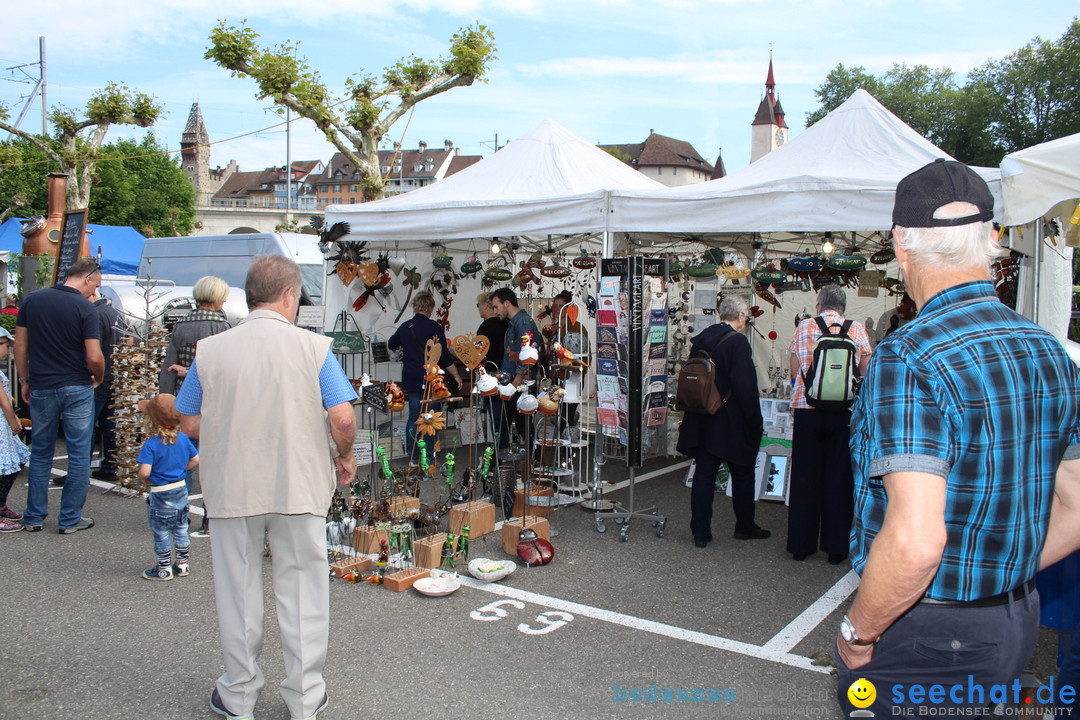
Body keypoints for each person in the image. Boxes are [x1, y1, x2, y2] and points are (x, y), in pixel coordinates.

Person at [836, 159, 1080, 718]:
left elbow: (917, 541)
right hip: (1012, 620)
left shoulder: (909, 356)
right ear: (991, 239)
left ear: (901, 244)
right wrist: (1001, 578)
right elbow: (1077, 501)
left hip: (926, 629)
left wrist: (860, 631)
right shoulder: (1049, 351)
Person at [175, 254, 357, 720]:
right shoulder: (314, 348)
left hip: (233, 485)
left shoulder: (211, 350)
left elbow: (189, 420)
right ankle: (304, 696)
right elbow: (342, 416)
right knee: (303, 592)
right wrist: (344, 454)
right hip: (298, 484)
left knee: (236, 591)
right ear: (291, 295)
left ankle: (238, 694)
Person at [15, 258, 104, 534]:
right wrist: (98, 376)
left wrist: (24, 379)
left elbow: (20, 344)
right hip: (77, 384)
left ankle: (34, 516)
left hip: (41, 384)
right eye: (96, 286)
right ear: (87, 278)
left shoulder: (33, 300)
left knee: (41, 451)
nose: (95, 293)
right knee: (78, 453)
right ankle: (69, 519)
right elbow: (93, 354)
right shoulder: (86, 309)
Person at [786, 284, 871, 564]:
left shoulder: (805, 327)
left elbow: (795, 371)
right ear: (843, 307)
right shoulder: (856, 328)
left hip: (807, 410)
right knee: (839, 477)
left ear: (819, 304)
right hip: (843, 413)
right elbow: (865, 373)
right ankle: (835, 548)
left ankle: (801, 545)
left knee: (804, 477)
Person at [676, 294, 769, 548]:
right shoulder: (737, 342)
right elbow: (745, 386)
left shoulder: (702, 339)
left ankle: (701, 532)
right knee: (742, 472)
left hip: (703, 416)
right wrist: (755, 420)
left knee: (704, 474)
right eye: (746, 316)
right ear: (740, 316)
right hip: (731, 420)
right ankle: (744, 525)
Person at [159, 275, 230, 536]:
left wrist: (164, 401)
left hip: (184, 401)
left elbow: (168, 369)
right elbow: (223, 371)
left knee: (182, 459)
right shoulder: (222, 327)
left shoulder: (181, 326)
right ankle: (211, 516)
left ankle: (178, 512)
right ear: (218, 298)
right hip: (215, 402)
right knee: (214, 460)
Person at [387, 291, 462, 461]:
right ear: (430, 308)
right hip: (432, 380)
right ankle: (428, 456)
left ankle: (413, 456)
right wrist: (456, 376)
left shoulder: (406, 326)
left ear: (415, 306)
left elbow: (392, 343)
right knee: (431, 418)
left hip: (412, 379)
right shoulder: (434, 328)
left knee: (414, 417)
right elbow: (444, 357)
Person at [135, 393, 198, 581]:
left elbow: (145, 472)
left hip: (161, 492)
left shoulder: (151, 444)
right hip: (180, 489)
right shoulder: (183, 439)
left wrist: (145, 480)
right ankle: (182, 563)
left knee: (161, 530)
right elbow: (195, 459)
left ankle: (164, 568)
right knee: (180, 527)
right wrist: (181, 470)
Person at [489, 287, 543, 449]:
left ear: (506, 303)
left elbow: (529, 356)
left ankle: (531, 463)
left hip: (519, 384)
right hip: (512, 382)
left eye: (496, 306)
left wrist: (515, 383)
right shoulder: (514, 324)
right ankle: (504, 464)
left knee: (523, 426)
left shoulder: (523, 323)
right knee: (505, 423)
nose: (495, 311)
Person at [89, 289, 125, 481]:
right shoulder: (113, 312)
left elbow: (93, 350)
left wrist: (95, 375)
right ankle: (111, 466)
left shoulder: (94, 314)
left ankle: (78, 471)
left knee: (86, 426)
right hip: (115, 375)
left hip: (100, 377)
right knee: (110, 424)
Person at [0, 327, 30, 531]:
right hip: (2, 425)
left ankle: (1, 506)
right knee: (4, 470)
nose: (8, 350)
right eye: (5, 345)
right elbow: (2, 400)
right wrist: (14, 422)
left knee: (12, 466)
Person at [476, 292, 508, 370]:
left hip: (491, 370)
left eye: (478, 305)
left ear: (485, 305)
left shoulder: (486, 326)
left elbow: (476, 350)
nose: (478, 308)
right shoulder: (506, 323)